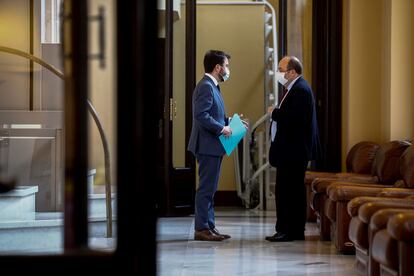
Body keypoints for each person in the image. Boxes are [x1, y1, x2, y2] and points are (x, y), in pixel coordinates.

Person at [266, 56, 320, 242]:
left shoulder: (301, 90)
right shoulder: (293, 89)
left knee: (289, 191)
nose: (278, 72)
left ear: (292, 72)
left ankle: (289, 231)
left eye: (281, 69)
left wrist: (275, 113)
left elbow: (295, 119)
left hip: (294, 151)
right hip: (290, 150)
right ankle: (289, 229)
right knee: (287, 190)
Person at [187, 50, 233, 241]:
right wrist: (222, 129)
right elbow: (201, 115)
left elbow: (212, 113)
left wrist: (230, 122)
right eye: (226, 66)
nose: (228, 69)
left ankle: (209, 226)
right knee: (206, 188)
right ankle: (201, 228)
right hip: (207, 145)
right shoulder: (206, 86)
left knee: (211, 188)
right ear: (217, 67)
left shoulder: (212, 86)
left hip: (213, 146)